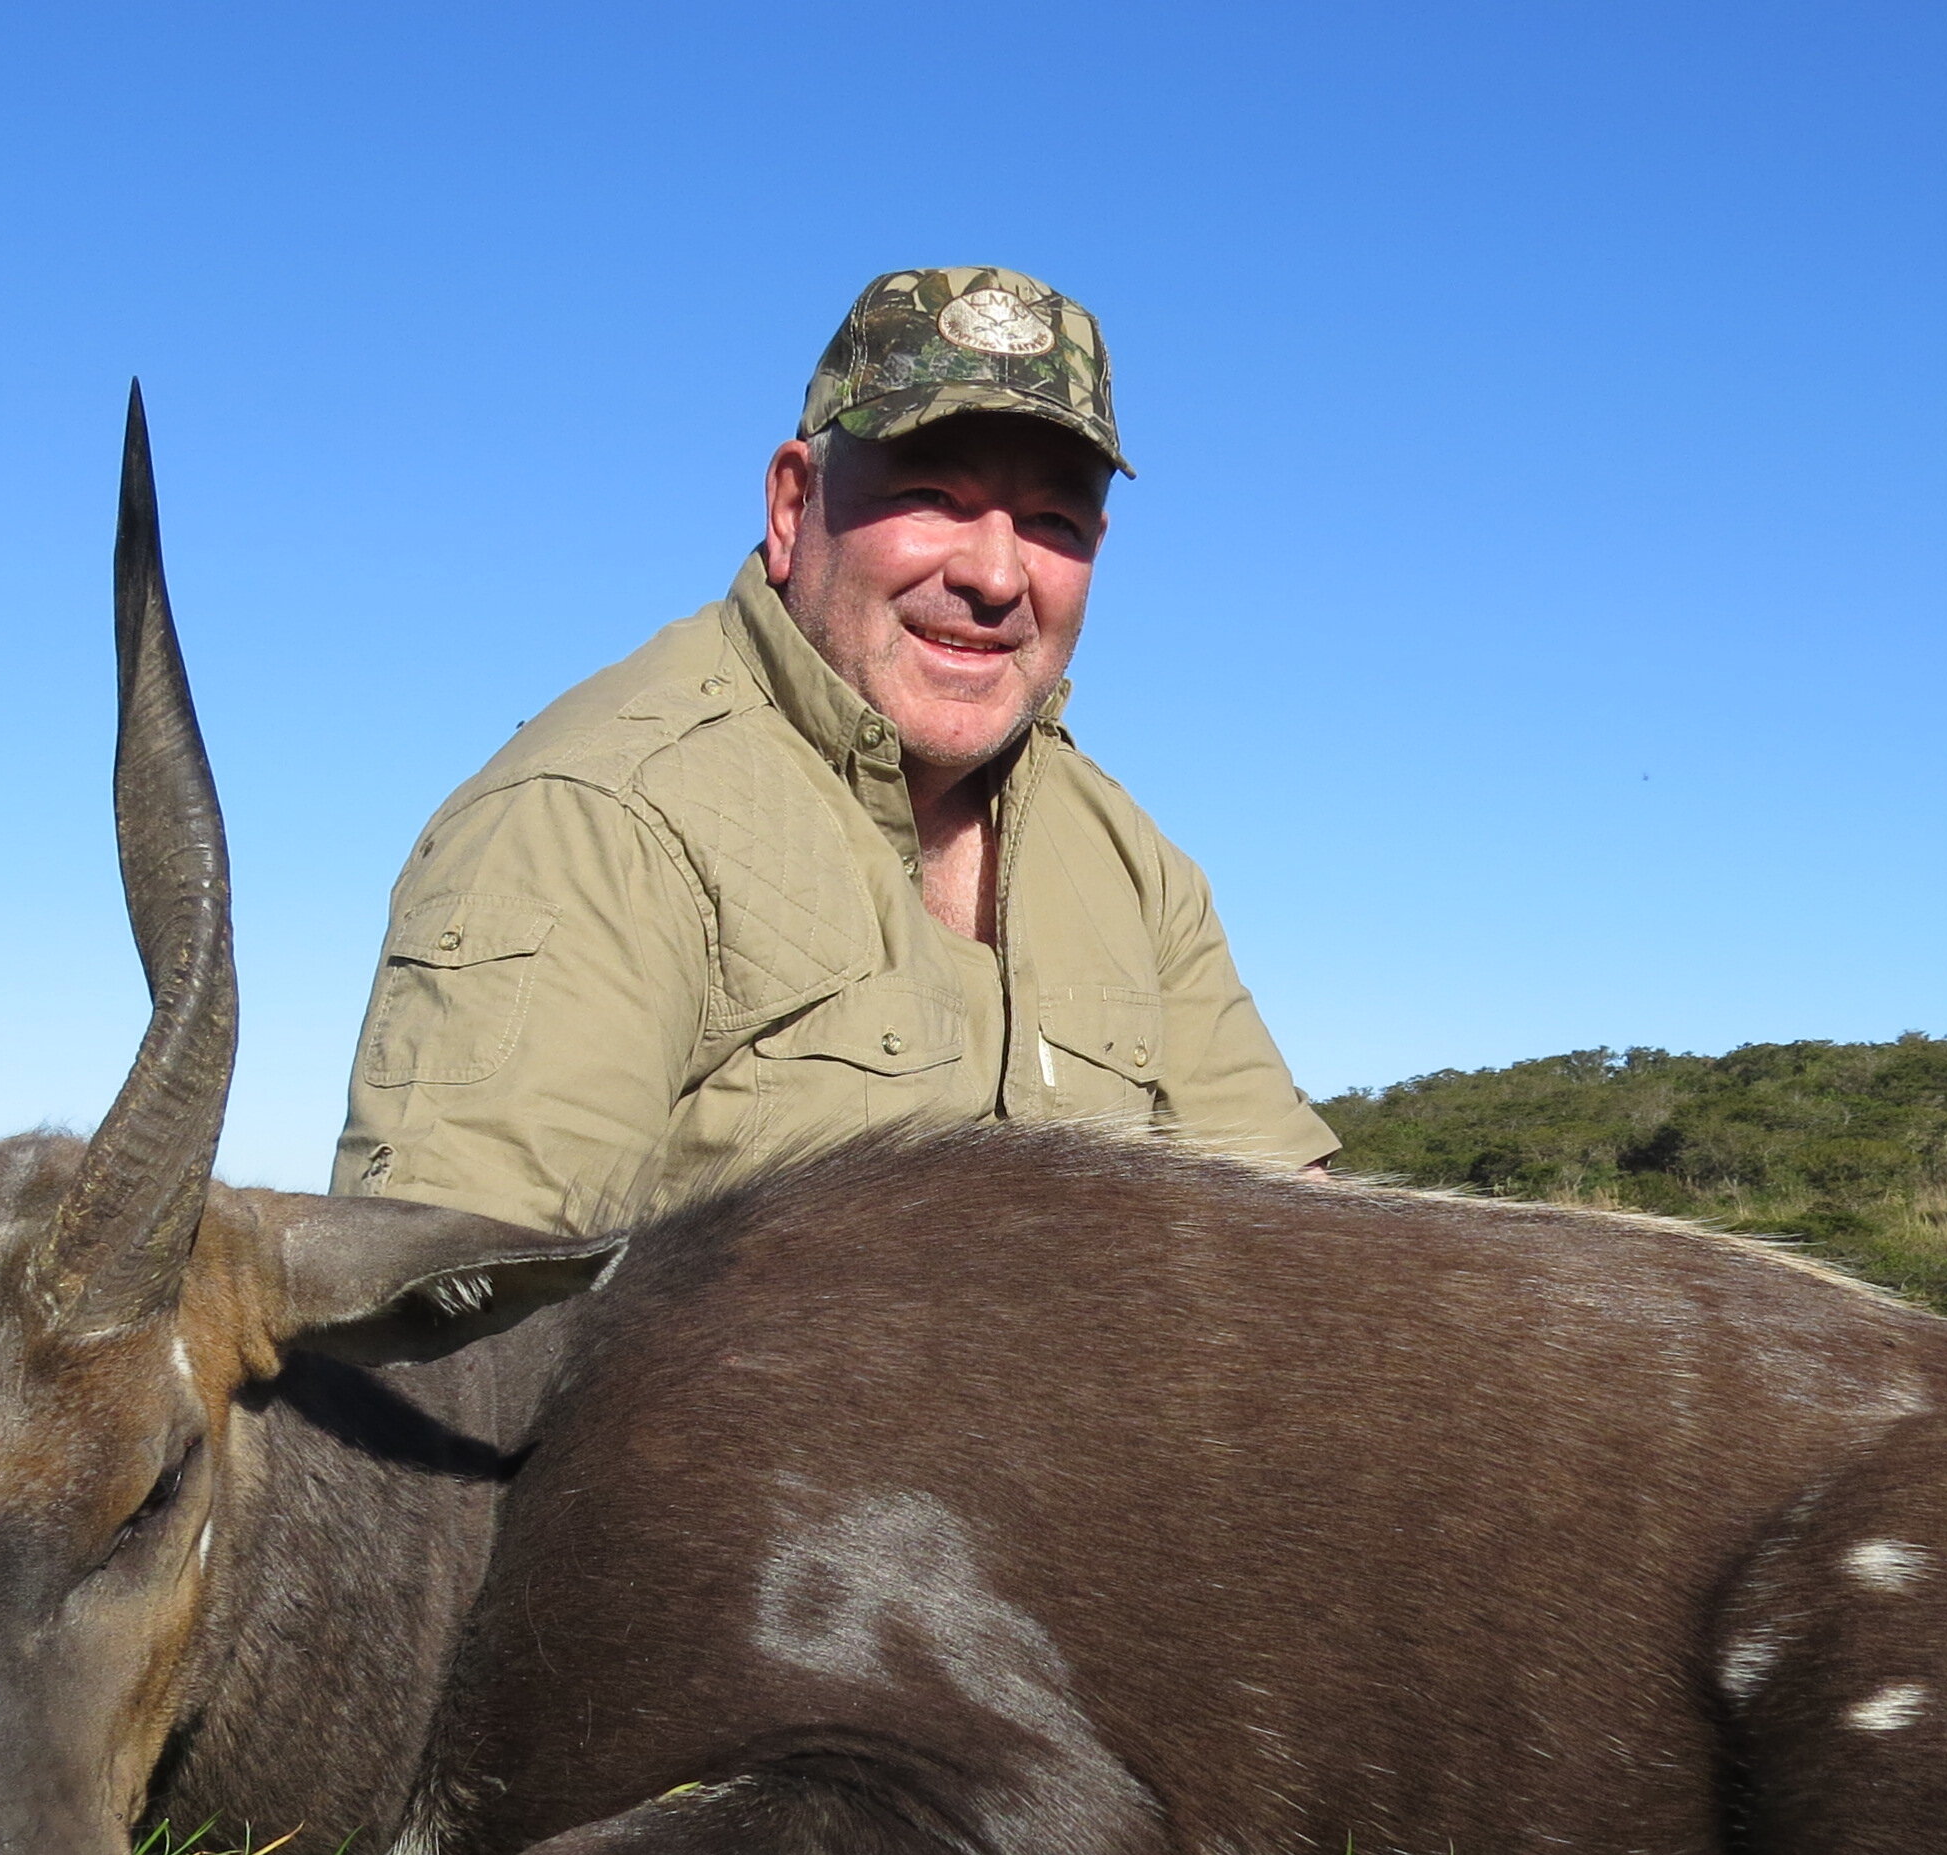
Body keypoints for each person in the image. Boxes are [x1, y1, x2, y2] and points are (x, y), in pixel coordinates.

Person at [333, 266, 1337, 1234]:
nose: (994, 573)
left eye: (1052, 521)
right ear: (789, 506)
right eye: (934, 496)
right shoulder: (595, 821)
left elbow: (1305, 1250)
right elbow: (450, 1357)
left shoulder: (1129, 860)